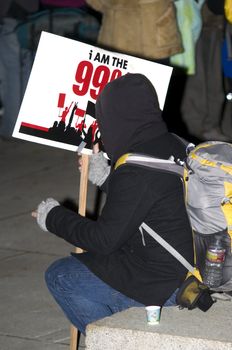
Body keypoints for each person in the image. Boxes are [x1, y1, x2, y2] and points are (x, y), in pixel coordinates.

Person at [32, 73, 194, 335]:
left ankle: (115, 339)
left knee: (62, 276)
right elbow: (150, 199)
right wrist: (106, 176)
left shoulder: (136, 172)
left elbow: (104, 239)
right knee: (100, 263)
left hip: (165, 285)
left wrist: (52, 217)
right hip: (190, 271)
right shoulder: (175, 145)